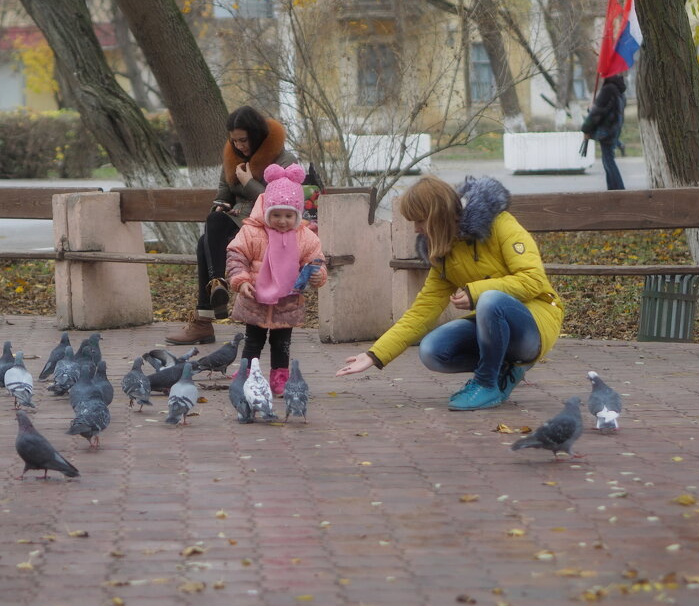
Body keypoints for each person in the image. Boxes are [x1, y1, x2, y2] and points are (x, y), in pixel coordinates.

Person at [335, 176, 564, 411]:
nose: (416, 229)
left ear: (438, 215)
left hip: (536, 322)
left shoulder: (500, 224)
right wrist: (374, 355)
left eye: (420, 220)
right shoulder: (444, 253)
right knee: (432, 351)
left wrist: (475, 291)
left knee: (489, 299)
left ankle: (486, 383)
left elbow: (533, 280)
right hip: (494, 322)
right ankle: (506, 370)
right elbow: (421, 312)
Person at [165, 105, 296, 345]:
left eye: (243, 140)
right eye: (234, 141)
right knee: (211, 228)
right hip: (237, 224)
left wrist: (247, 182)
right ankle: (218, 287)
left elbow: (283, 204)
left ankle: (204, 319)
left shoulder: (284, 160)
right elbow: (224, 190)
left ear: (256, 135)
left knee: (204, 243)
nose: (239, 146)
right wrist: (222, 204)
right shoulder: (232, 156)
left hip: (268, 228)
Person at [224, 163, 328, 394]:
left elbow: (316, 259)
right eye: (277, 215)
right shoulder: (252, 232)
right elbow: (236, 255)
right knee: (253, 340)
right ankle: (247, 374)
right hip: (256, 298)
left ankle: (280, 377)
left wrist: (316, 275)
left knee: (282, 343)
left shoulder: (305, 237)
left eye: (289, 215)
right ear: (267, 211)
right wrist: (241, 280)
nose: (282, 221)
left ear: (298, 214)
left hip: (287, 301)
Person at [582, 74, 627, 190]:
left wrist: (586, 128)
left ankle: (618, 189)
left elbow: (597, 113)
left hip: (606, 131)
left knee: (608, 160)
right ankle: (613, 188)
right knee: (607, 159)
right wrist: (593, 107)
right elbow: (608, 109)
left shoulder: (608, 90)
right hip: (614, 129)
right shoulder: (619, 90)